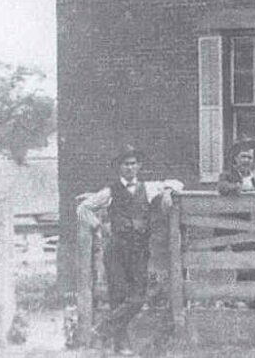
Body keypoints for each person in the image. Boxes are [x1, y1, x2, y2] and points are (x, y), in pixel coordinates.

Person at [76, 144, 183, 355]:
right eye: (125, 164)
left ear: (139, 166)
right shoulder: (110, 191)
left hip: (139, 250)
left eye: (133, 163)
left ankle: (101, 328)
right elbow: (83, 208)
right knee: (118, 295)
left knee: (138, 297)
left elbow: (177, 183)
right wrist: (99, 226)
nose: (130, 168)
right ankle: (121, 345)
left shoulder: (149, 188)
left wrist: (169, 192)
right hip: (116, 249)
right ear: (119, 167)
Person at [216, 138, 255, 300]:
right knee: (246, 263)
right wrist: (239, 188)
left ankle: (247, 298)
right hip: (236, 227)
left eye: (250, 158)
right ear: (235, 159)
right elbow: (222, 187)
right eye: (243, 157)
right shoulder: (228, 175)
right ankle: (251, 298)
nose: (247, 161)